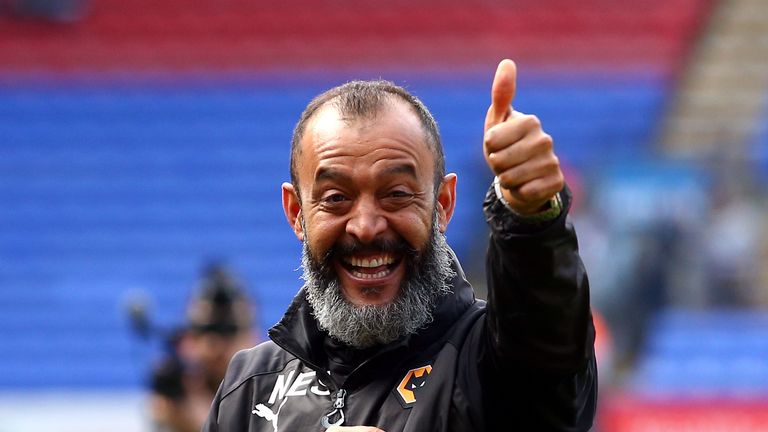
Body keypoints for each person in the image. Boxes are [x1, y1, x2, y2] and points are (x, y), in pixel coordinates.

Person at [203, 59, 597, 431]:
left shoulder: (494, 361)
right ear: (296, 213)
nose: (366, 227)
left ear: (442, 204)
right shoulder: (249, 386)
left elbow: (548, 344)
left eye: (396, 193)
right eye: (336, 198)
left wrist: (529, 219)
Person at [150, 265, 257, 432]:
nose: (215, 344)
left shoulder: (272, 385)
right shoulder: (180, 388)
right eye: (204, 330)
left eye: (228, 330)